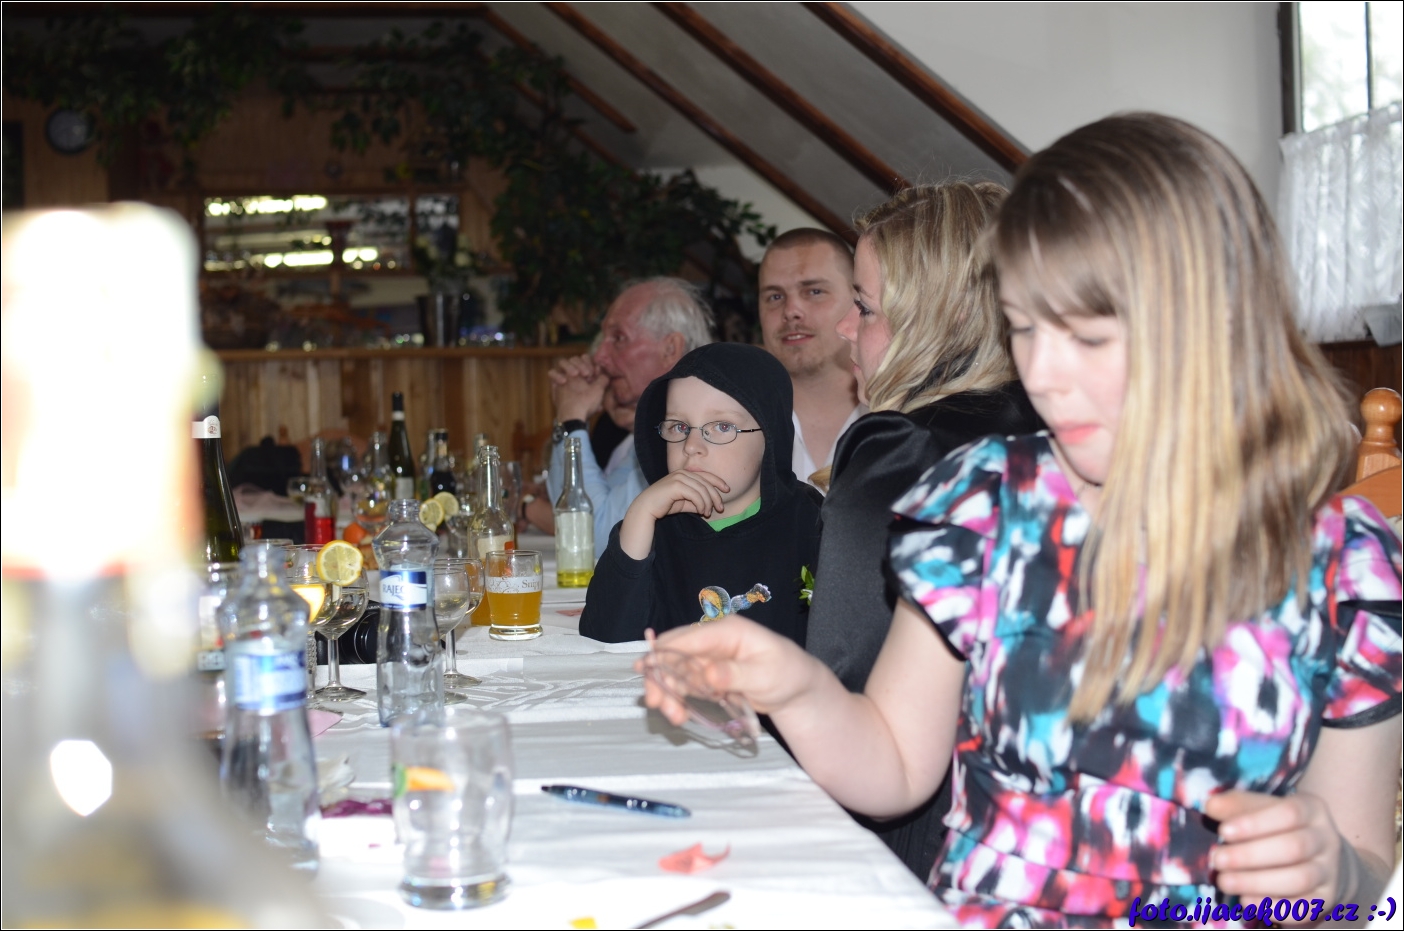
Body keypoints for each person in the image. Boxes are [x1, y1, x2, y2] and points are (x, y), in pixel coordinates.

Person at [642, 114, 1402, 927]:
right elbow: (894, 761)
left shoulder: (1343, 569)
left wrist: (1331, 870)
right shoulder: (986, 503)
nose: (1043, 373)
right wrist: (797, 687)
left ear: (1214, 327)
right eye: (1026, 327)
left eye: (1088, 337)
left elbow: (1362, 872)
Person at [805, 181, 1043, 878]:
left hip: (927, 848)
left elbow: (847, 682)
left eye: (864, 307)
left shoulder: (902, 454)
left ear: (944, 317)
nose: (844, 328)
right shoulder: (1055, 438)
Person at [579, 343, 822, 644]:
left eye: (722, 426)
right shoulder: (651, 531)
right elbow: (602, 640)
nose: (691, 446)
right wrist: (639, 516)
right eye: (679, 426)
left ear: (771, 435)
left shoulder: (810, 525)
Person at [541, 278, 715, 557]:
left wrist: (572, 419)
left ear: (670, 349)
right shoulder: (651, 429)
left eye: (619, 338)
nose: (600, 356)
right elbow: (572, 511)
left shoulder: (687, 432)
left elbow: (595, 541)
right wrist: (570, 421)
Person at [759, 229, 866, 488]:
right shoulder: (732, 423)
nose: (791, 311)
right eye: (775, 296)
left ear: (858, 301)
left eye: (814, 291)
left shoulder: (903, 415)